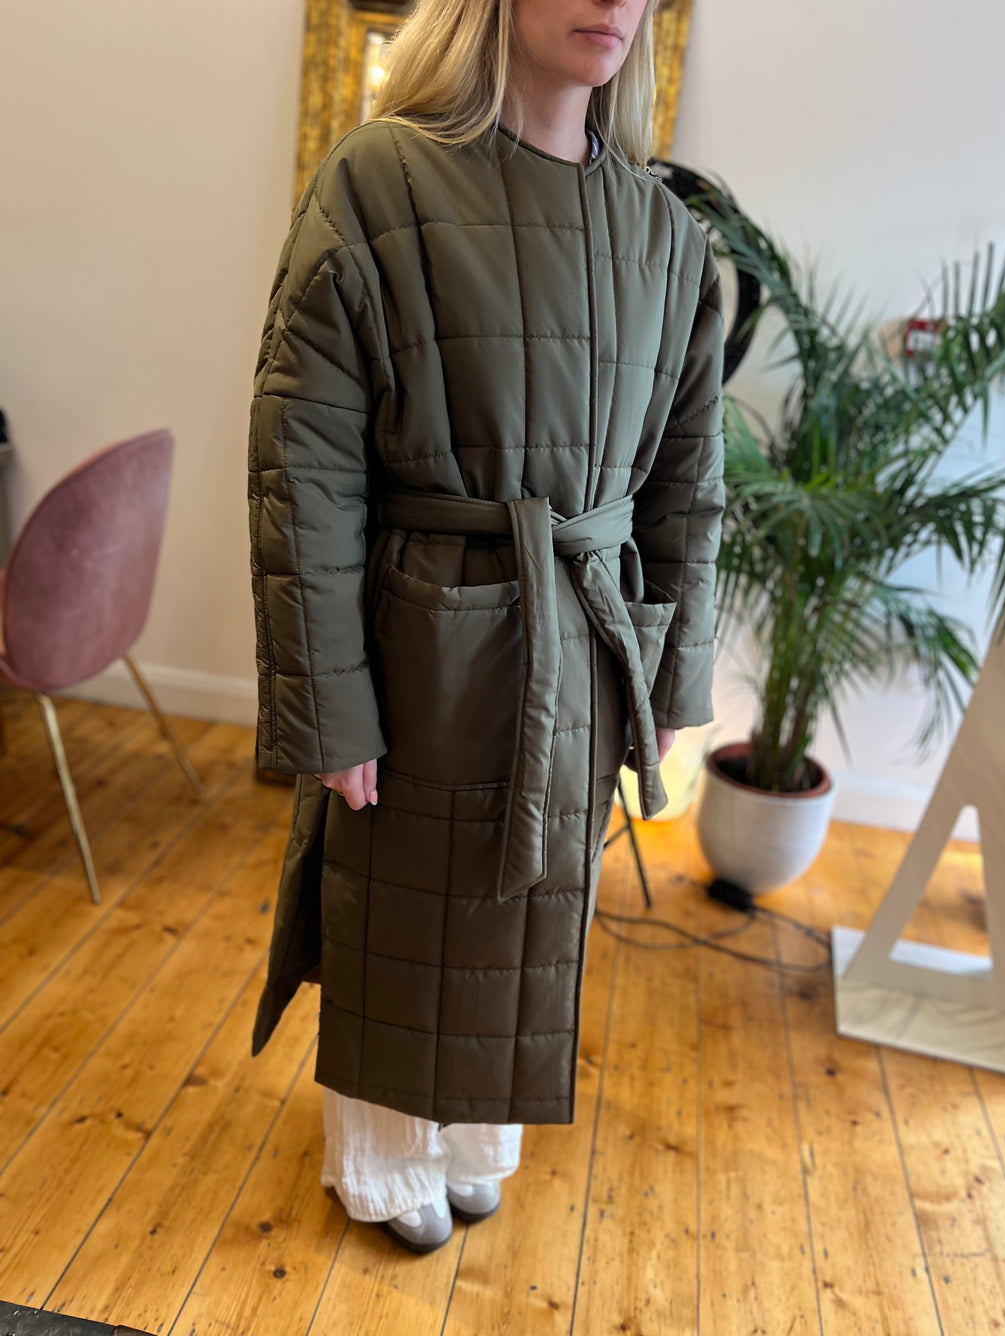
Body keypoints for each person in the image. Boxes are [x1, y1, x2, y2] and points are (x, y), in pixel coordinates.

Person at [246, 0, 726, 1255]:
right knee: (406, 897)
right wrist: (330, 702)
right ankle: (379, 1155)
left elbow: (688, 483)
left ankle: (475, 1140)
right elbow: (305, 468)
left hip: (585, 631)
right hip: (420, 630)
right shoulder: (378, 180)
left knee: (532, 905)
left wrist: (673, 680)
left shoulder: (664, 234)